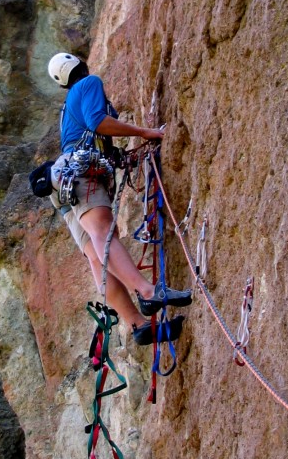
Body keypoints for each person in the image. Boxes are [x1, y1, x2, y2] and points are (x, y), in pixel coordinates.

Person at [47, 52, 191, 337]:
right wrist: (146, 132)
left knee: (95, 257)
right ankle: (148, 291)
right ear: (77, 64)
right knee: (102, 232)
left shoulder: (67, 108)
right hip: (78, 173)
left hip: (60, 184)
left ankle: (138, 324)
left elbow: (92, 138)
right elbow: (98, 122)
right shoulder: (88, 84)